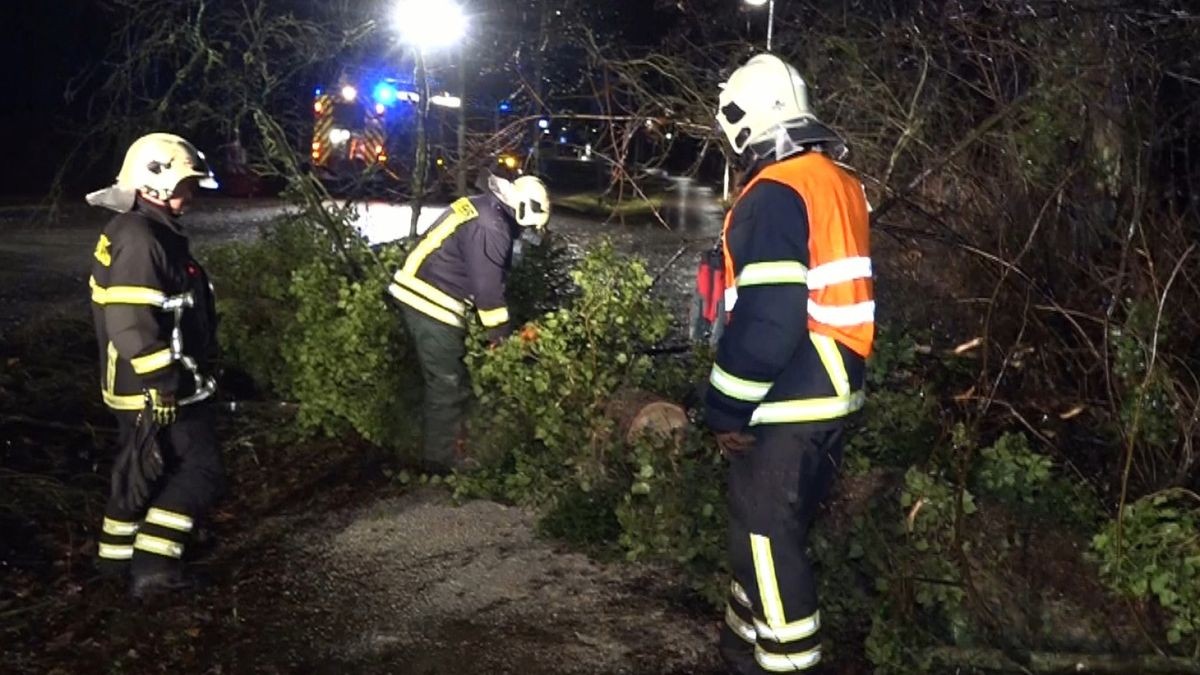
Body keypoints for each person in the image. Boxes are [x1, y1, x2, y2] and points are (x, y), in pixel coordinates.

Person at [704, 54, 875, 674]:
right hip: (832, 391)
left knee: (768, 544)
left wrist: (723, 406)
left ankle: (784, 663)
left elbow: (769, 322)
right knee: (764, 537)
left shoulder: (775, 193)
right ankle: (741, 653)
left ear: (744, 123)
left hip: (788, 397)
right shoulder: (837, 181)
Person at [86, 132, 225, 599]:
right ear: (154, 184)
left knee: (142, 470)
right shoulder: (142, 239)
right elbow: (130, 324)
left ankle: (115, 563)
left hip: (146, 383)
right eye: (187, 184)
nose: (193, 193)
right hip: (155, 385)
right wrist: (164, 384)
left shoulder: (141, 230)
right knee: (201, 470)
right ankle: (155, 568)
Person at [387, 172, 551, 473]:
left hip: (416, 291)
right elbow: (488, 292)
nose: (523, 234)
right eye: (526, 228)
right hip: (432, 302)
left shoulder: (482, 207)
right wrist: (502, 341)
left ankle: (417, 441)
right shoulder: (493, 228)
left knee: (437, 378)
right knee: (448, 385)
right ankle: (440, 463)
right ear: (522, 211)